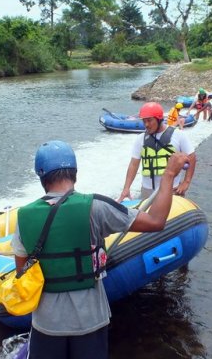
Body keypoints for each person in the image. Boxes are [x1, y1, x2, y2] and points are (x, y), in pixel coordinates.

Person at [13, 140, 188, 359]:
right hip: (91, 321)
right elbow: (156, 221)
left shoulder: (23, 218)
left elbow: (22, 271)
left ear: (41, 177)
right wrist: (169, 175)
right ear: (74, 173)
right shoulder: (96, 207)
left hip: (46, 324)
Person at [118, 102, 196, 201]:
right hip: (147, 190)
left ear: (159, 119)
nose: (146, 124)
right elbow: (134, 164)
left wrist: (186, 182)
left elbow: (192, 157)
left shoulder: (178, 135)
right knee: (147, 216)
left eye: (150, 120)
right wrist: (126, 188)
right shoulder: (140, 139)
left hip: (172, 189)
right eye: (144, 121)